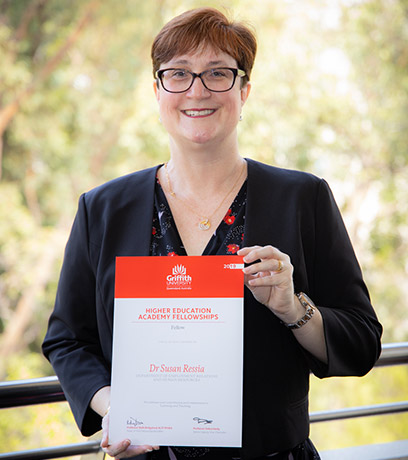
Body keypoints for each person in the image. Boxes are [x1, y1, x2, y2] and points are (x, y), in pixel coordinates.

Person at [42, 7, 382, 460]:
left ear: (244, 91)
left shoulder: (303, 198)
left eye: (218, 73)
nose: (197, 90)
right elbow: (67, 341)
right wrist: (115, 407)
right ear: (157, 91)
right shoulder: (102, 208)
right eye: (178, 73)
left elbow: (361, 343)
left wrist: (292, 307)